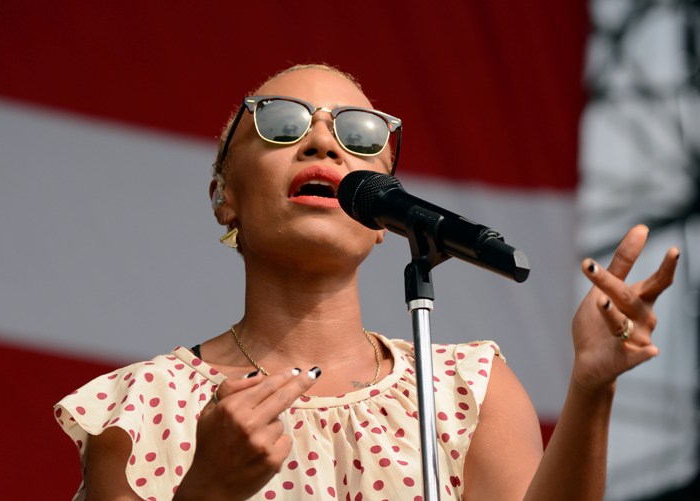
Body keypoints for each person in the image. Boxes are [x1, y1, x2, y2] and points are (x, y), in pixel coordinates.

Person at [54, 63, 679, 501]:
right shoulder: (138, 408)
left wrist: (590, 390)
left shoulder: (466, 391)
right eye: (280, 123)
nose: (323, 143)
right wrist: (206, 492)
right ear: (224, 197)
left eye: (359, 134)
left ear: (383, 218)